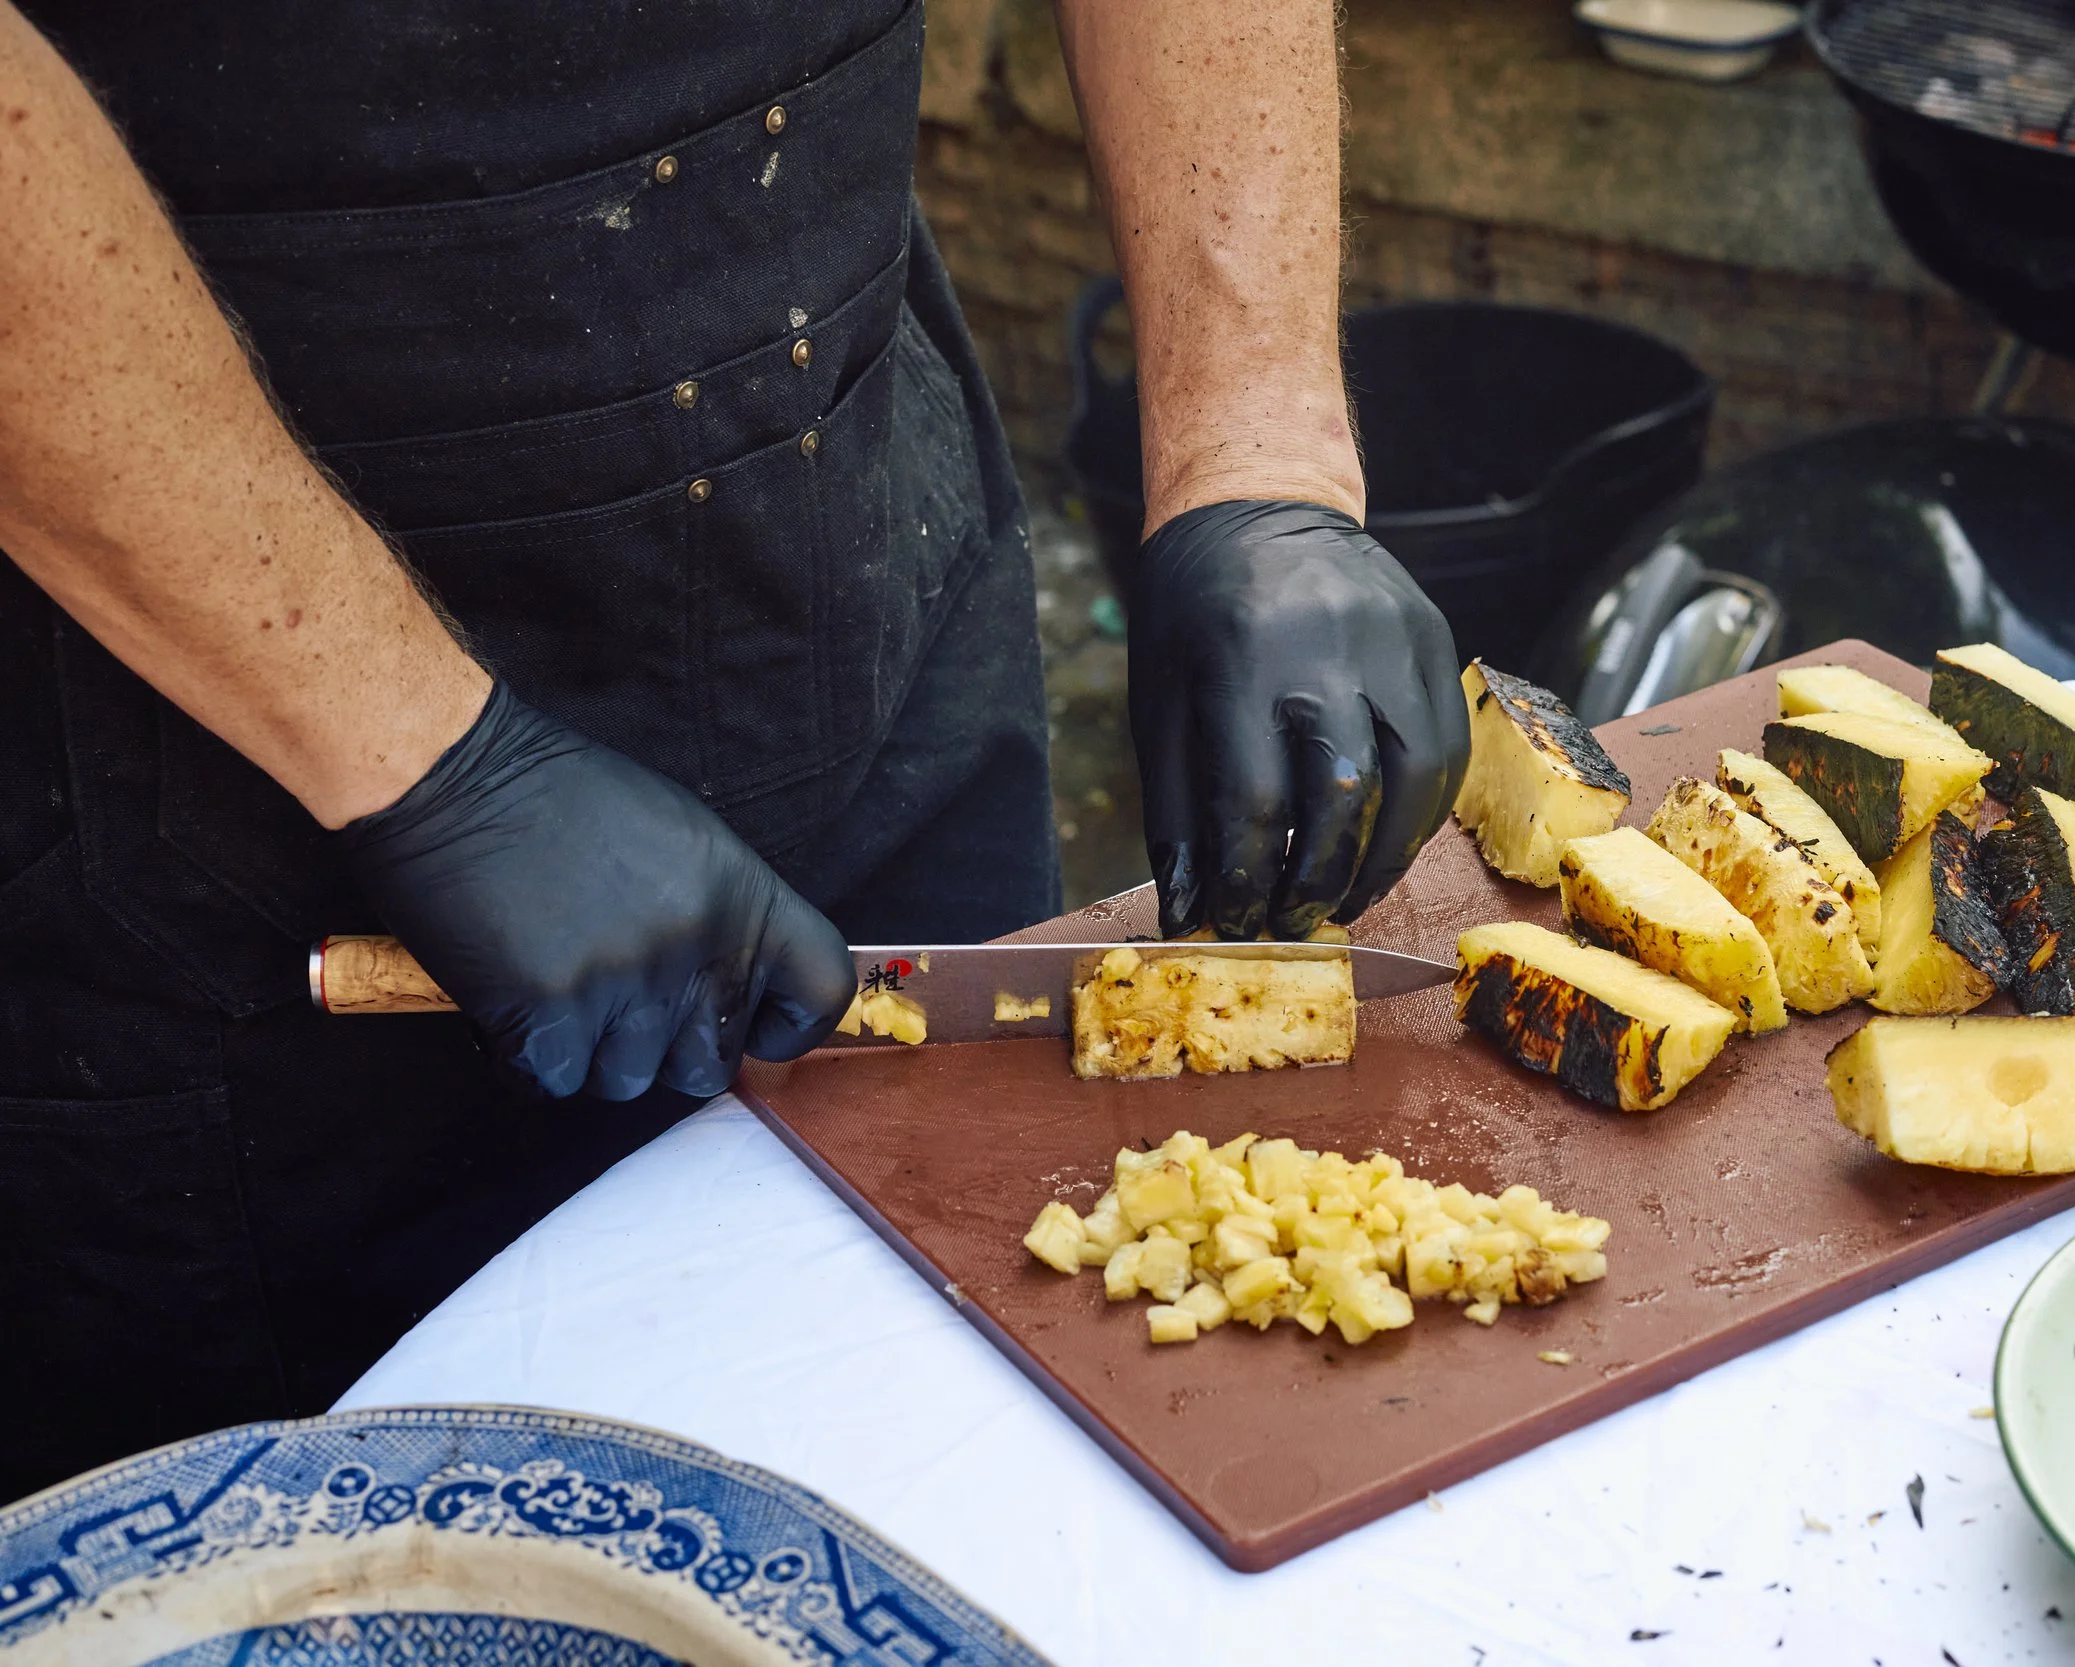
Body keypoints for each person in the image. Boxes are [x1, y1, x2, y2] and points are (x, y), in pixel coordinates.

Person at [0, 0, 1466, 1500]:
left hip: (852, 542)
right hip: (209, 776)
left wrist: (1257, 442)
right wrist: (416, 751)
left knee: (986, 1457)